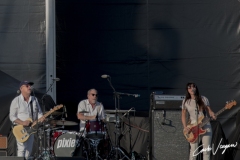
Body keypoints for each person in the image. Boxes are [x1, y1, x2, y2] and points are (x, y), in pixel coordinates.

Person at [9, 81, 45, 159]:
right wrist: (23, 122)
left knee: (29, 150)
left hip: (31, 128)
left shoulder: (34, 99)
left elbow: (39, 113)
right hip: (21, 129)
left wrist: (41, 118)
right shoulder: (16, 100)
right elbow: (12, 116)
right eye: (27, 86)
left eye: (30, 86)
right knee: (22, 149)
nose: (29, 87)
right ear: (21, 88)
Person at [181, 82, 216, 160]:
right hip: (193, 126)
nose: (192, 88)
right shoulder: (185, 101)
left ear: (196, 88)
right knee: (193, 151)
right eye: (189, 87)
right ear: (187, 89)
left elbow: (209, 110)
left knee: (206, 151)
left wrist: (212, 114)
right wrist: (185, 127)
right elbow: (183, 115)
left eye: (194, 87)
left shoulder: (203, 99)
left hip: (205, 124)